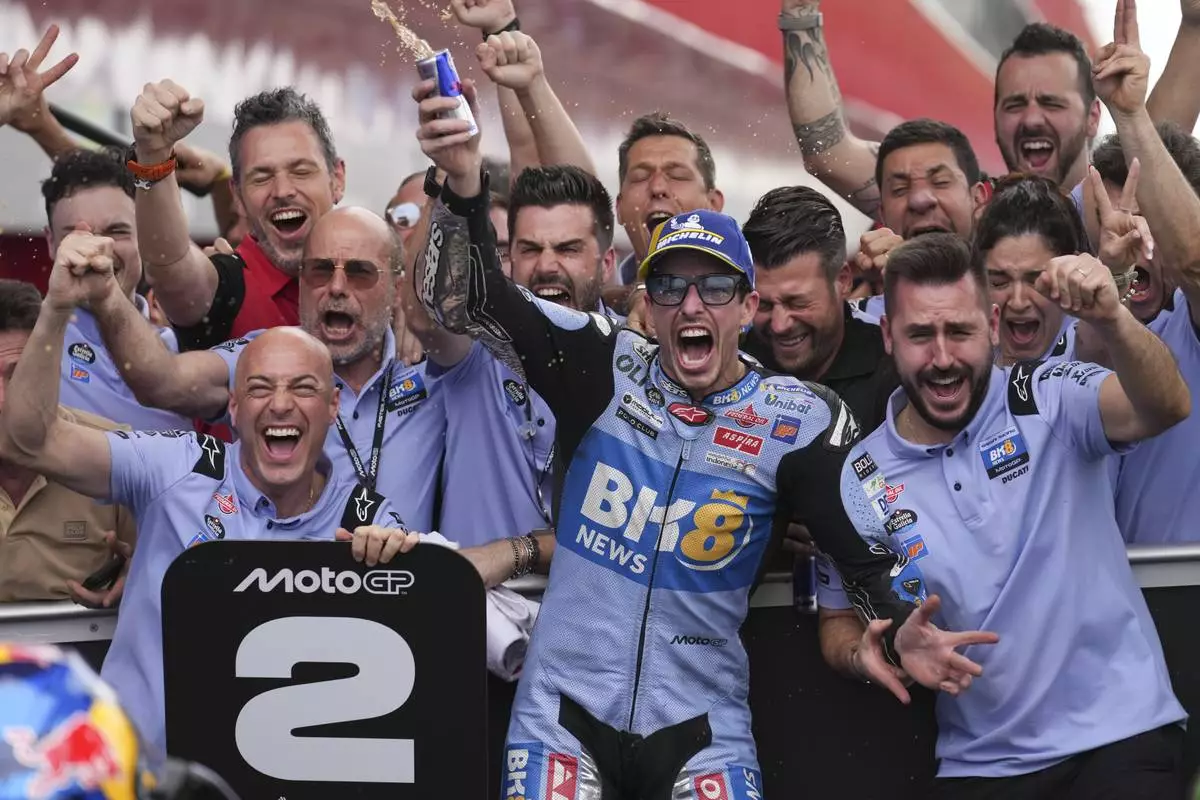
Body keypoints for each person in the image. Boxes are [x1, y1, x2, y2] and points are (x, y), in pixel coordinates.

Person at [414, 80, 996, 799]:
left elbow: (873, 553)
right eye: (670, 287)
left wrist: (903, 625)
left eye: (715, 288)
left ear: (747, 307)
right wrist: (462, 185)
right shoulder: (601, 362)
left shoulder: (799, 419)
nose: (692, 305)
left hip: (700, 734)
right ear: (647, 303)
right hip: (560, 720)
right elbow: (461, 300)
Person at [0, 228, 420, 763]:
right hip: (141, 783)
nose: (281, 405)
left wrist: (400, 564)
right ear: (234, 408)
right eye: (260, 388)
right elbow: (31, 441)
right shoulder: (174, 467)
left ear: (333, 406)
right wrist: (57, 307)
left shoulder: (368, 524)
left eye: (303, 388)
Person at [848, 232, 1188, 795]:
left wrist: (1112, 318)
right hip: (980, 764)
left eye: (959, 331)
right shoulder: (859, 476)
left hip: (1120, 734)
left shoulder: (1047, 393)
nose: (942, 358)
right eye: (920, 335)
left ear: (991, 324)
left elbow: (1169, 405)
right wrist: (882, 649)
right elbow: (839, 619)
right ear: (888, 335)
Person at [87, 206, 467, 534]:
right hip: (282, 589)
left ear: (396, 289)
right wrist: (107, 295)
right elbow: (161, 381)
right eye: (319, 271)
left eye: (359, 273)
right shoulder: (261, 358)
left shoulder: (433, 368)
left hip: (402, 589)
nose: (336, 286)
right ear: (301, 282)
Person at [436, 164, 613, 545]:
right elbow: (436, 304)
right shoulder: (472, 345)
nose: (546, 267)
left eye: (568, 249)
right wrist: (459, 175)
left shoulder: (639, 358)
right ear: (509, 259)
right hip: (473, 584)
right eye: (530, 250)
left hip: (590, 584)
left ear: (607, 263)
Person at [128, 83, 344, 349]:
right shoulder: (227, 288)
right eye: (261, 177)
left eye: (301, 172)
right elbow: (172, 269)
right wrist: (153, 155)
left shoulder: (381, 270)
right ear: (238, 197)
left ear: (337, 179)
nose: (282, 191)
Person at [0, 280, 136, 605]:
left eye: (18, 374)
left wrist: (141, 576)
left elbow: (174, 567)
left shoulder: (116, 453)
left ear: (52, 367)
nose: (2, 399)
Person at [40, 148, 191, 432]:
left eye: (117, 231)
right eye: (77, 233)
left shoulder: (189, 348)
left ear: (143, 235)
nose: (98, 248)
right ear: (50, 242)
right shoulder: (21, 343)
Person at [741, 185, 897, 429]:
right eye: (765, 304)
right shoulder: (731, 365)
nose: (780, 325)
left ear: (843, 281)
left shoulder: (895, 372)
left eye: (798, 302)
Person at [614, 112, 725, 285]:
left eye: (677, 176)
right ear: (619, 209)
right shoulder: (590, 297)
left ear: (713, 204)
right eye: (640, 177)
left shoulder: (757, 294)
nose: (657, 187)